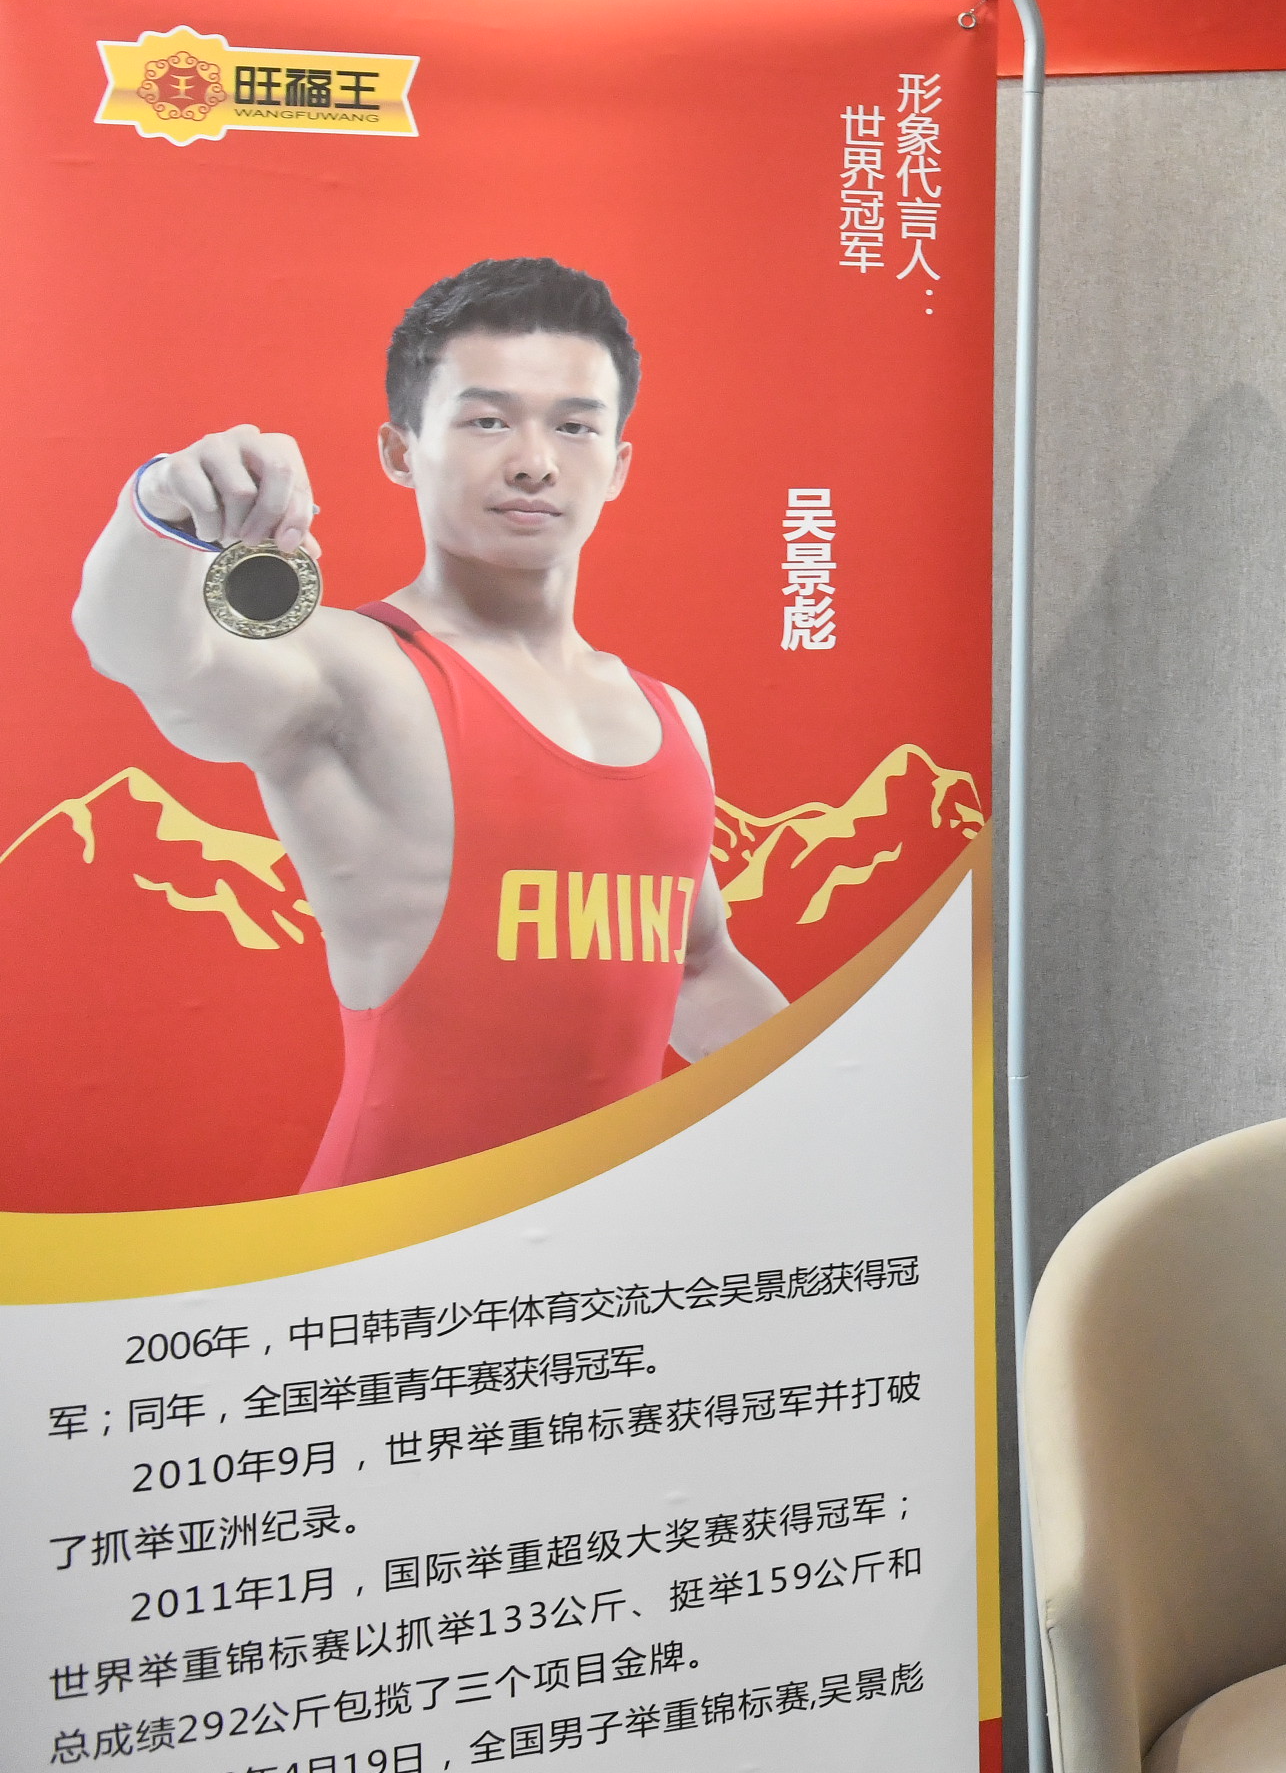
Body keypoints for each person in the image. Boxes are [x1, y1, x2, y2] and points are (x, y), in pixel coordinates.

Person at [72, 256, 783, 1190]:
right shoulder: (356, 671)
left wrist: (845, 1103)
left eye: (575, 426)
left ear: (617, 466)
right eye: (487, 420)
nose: (534, 461)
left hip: (607, 1251)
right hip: (391, 1258)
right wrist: (160, 507)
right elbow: (152, 655)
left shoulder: (668, 716)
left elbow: (696, 968)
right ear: (401, 449)